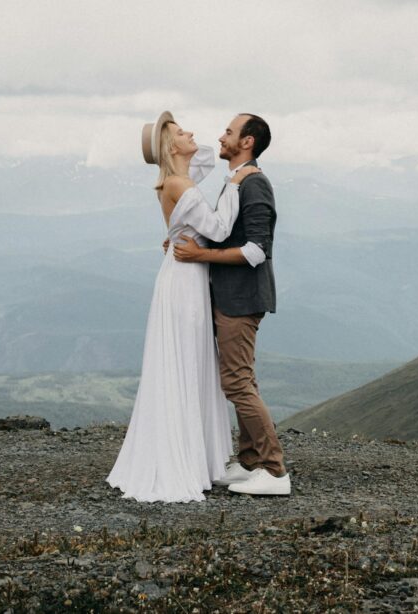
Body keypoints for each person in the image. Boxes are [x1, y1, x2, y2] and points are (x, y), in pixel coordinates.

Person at [106, 111, 259, 502]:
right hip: (185, 280)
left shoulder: (177, 179)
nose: (193, 132)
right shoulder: (177, 182)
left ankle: (194, 456)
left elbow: (204, 156)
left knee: (189, 360)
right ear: (170, 146)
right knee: (186, 360)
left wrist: (176, 147)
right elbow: (221, 230)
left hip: (185, 275)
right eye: (180, 131)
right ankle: (182, 459)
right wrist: (236, 181)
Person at [172, 113, 290, 496]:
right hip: (232, 295)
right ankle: (250, 461)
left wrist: (199, 257)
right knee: (242, 378)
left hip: (242, 298)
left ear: (247, 142)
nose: (220, 136)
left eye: (228, 132)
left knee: (237, 382)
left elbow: (257, 251)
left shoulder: (254, 185)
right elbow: (224, 232)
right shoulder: (238, 180)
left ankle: (274, 472)